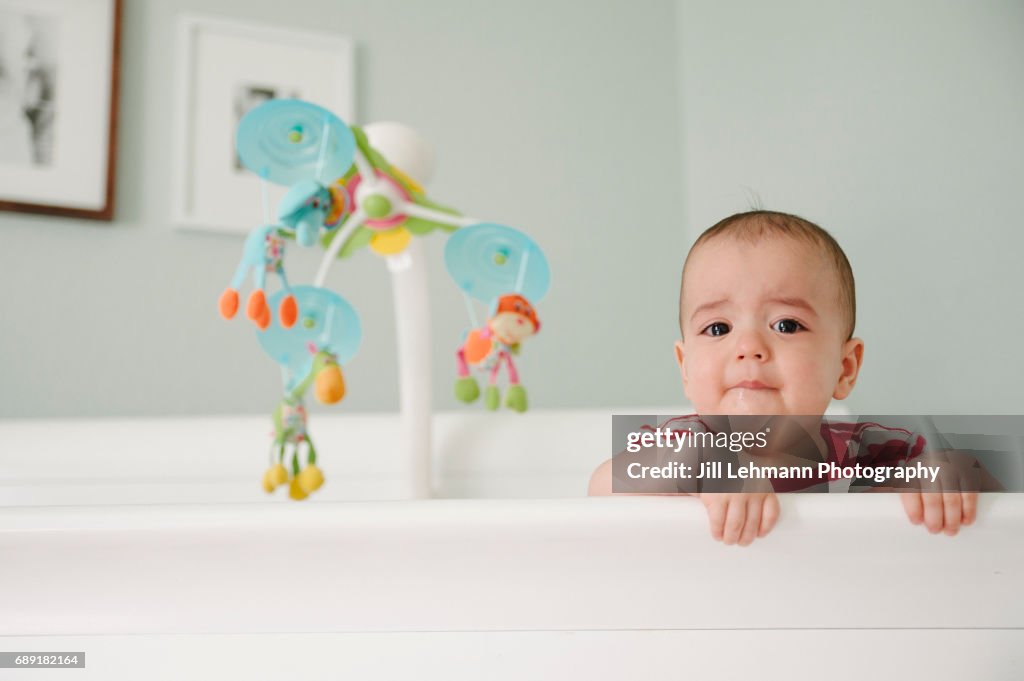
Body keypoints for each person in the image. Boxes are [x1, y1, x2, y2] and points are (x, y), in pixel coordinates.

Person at [588, 210, 979, 545]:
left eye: (787, 325)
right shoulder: (683, 446)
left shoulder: (867, 452)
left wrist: (946, 474)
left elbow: (981, 482)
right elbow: (601, 485)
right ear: (685, 368)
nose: (749, 347)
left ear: (845, 368)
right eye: (718, 328)